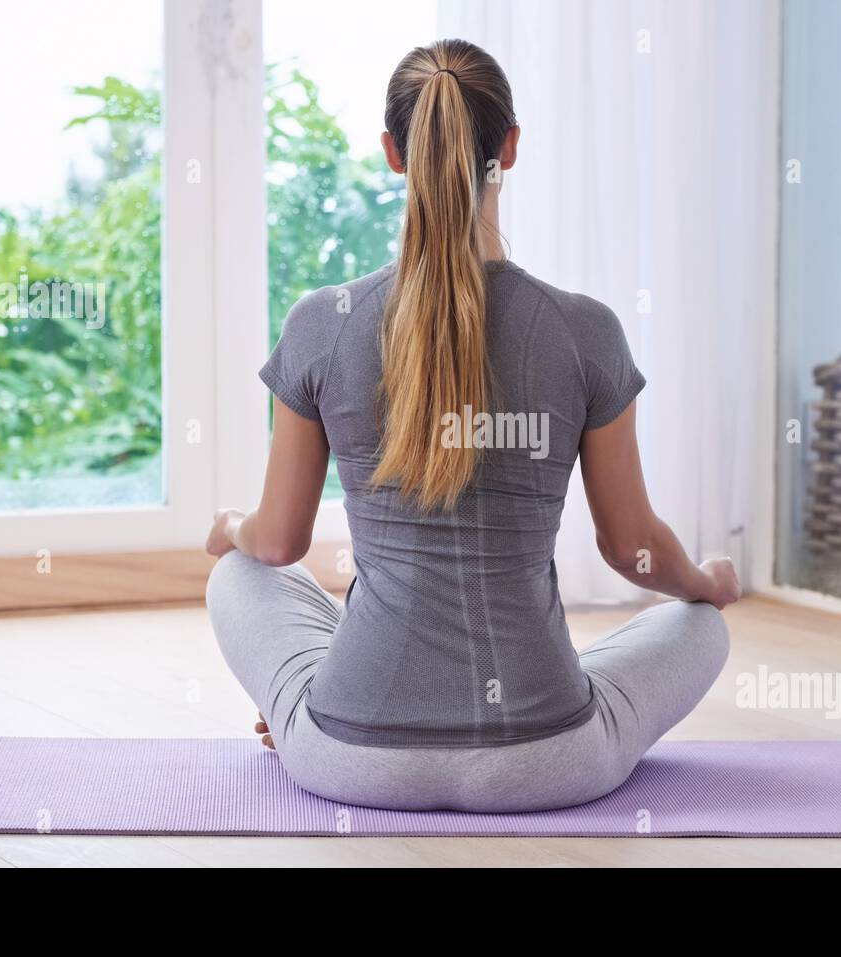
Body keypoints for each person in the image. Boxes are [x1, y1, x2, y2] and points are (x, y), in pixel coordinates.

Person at [205, 38, 739, 812]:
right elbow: (634, 549)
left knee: (238, 571)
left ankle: (305, 713)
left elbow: (279, 542)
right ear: (510, 147)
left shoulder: (324, 322)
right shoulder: (584, 330)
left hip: (349, 756)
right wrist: (704, 583)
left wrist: (229, 526)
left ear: (394, 153)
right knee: (700, 628)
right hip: (550, 759)